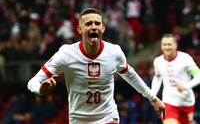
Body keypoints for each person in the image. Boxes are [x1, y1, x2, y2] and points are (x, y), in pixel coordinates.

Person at [27, 8, 165, 124]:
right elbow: (32, 82)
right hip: (79, 120)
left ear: (102, 28)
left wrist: (152, 97)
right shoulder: (66, 54)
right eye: (88, 24)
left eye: (97, 23)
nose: (93, 26)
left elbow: (131, 76)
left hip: (107, 117)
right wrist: (40, 89)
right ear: (79, 29)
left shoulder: (114, 52)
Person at [151, 33, 200, 124]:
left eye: (169, 44)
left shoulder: (185, 58)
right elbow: (157, 78)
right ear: (161, 46)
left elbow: (198, 75)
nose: (167, 47)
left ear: (175, 45)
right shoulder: (158, 61)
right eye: (164, 45)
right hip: (168, 102)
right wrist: (152, 94)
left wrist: (186, 86)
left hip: (186, 102)